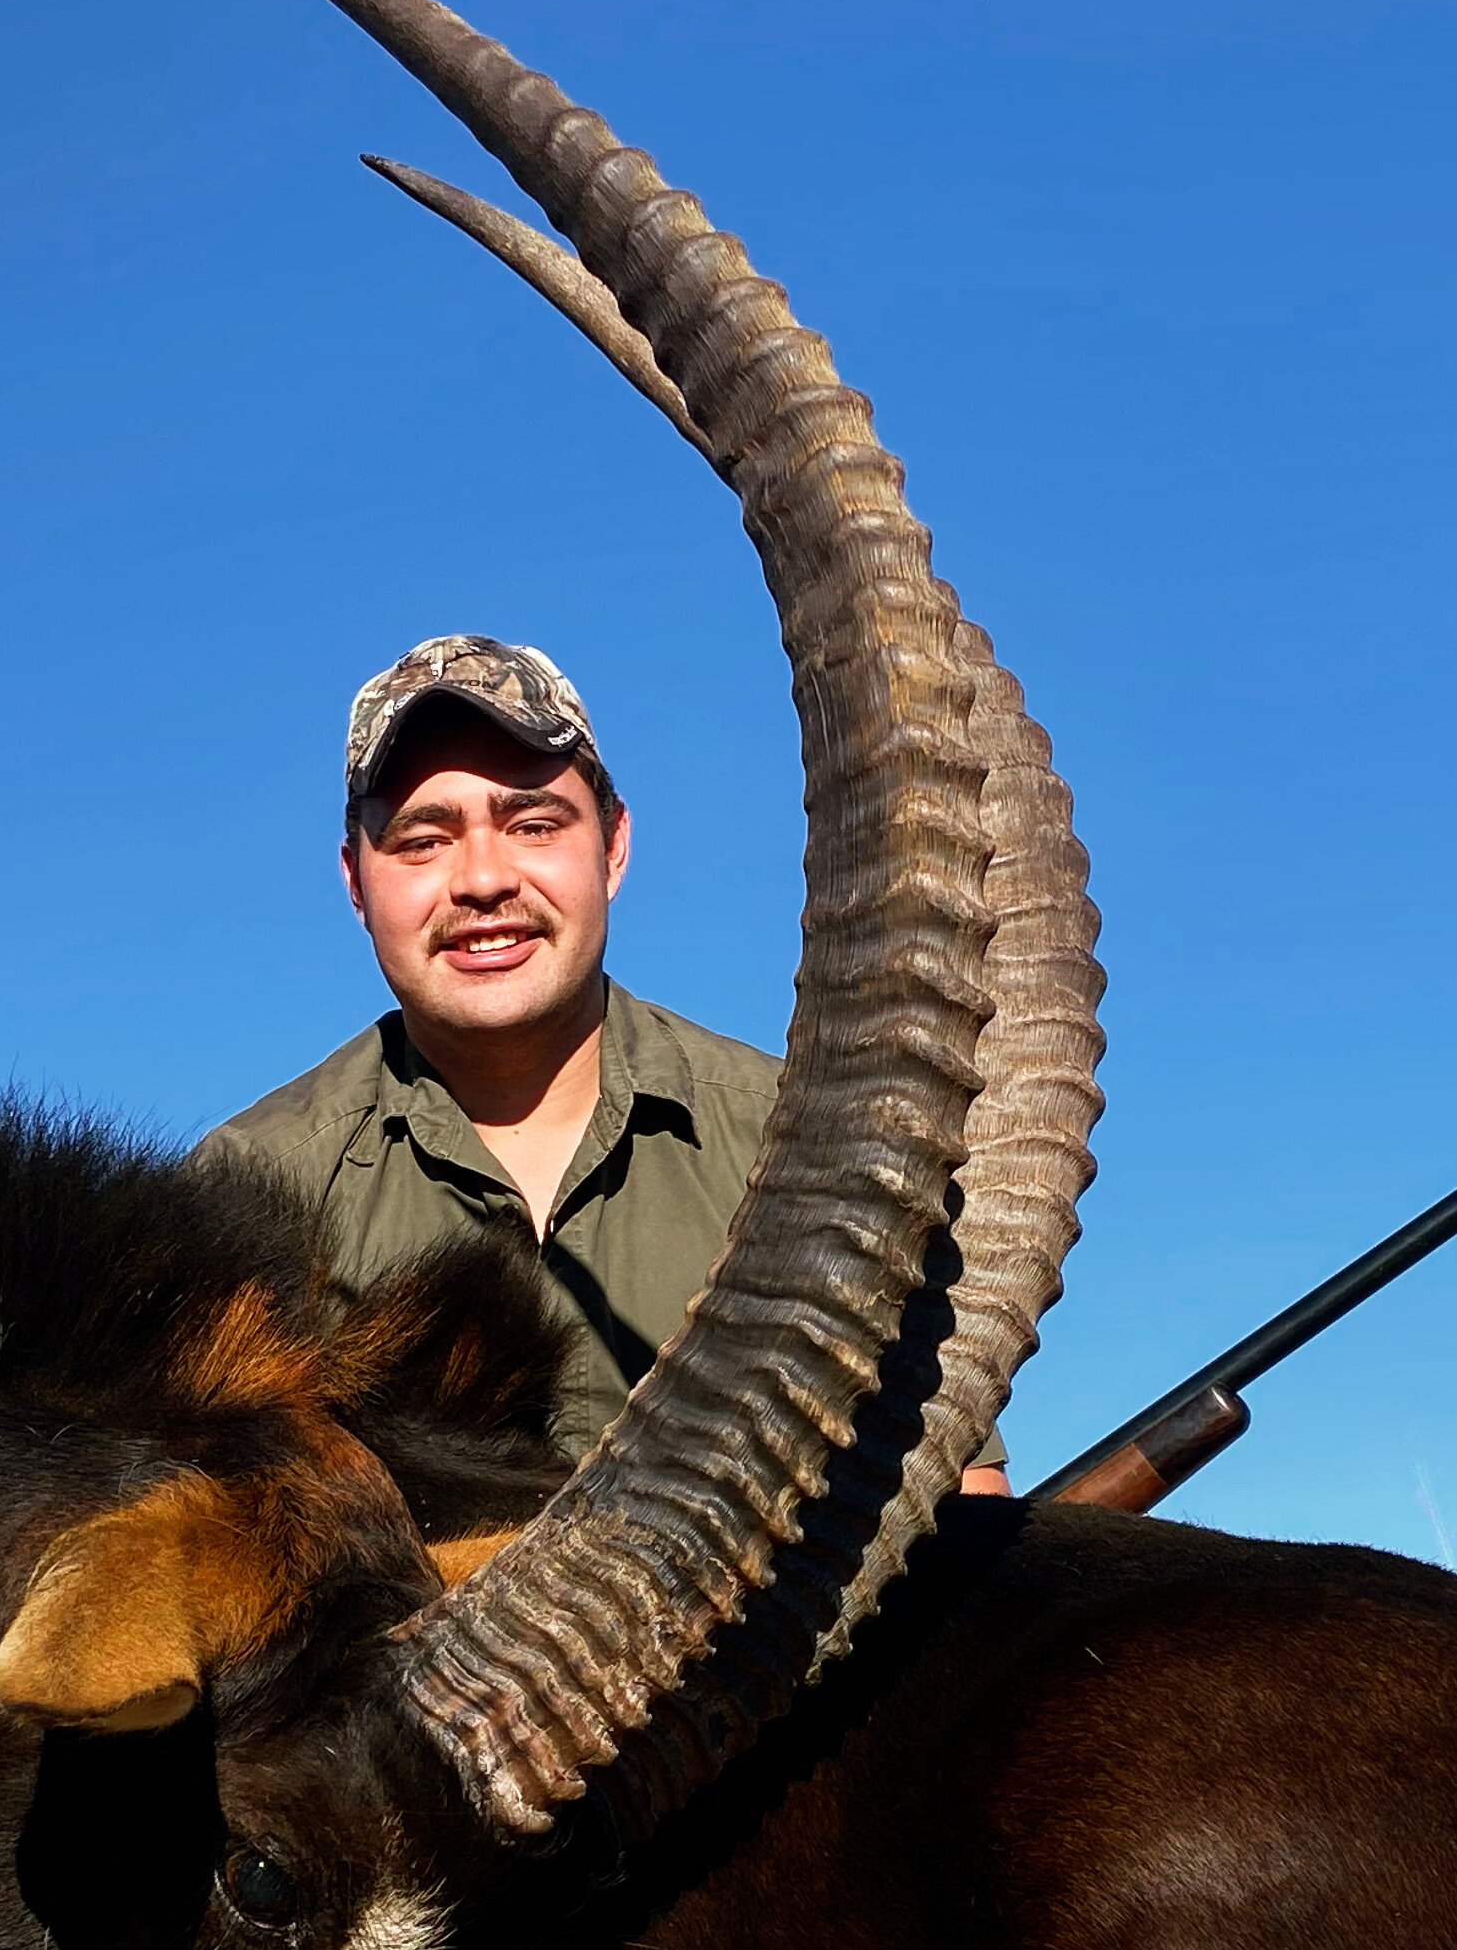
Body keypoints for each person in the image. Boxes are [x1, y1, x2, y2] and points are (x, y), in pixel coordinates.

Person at [203, 632, 1012, 1488]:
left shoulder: (805, 1140)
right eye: (422, 841)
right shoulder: (244, 1197)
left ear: (614, 846)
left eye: (533, 824)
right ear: (356, 883)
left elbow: (961, 1492)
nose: (482, 879)